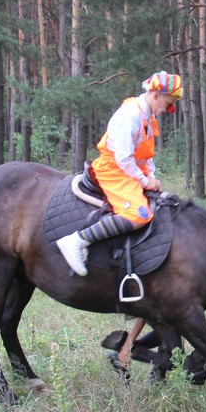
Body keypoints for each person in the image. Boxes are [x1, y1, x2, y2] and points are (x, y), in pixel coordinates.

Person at [55, 70, 183, 276]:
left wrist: (151, 176)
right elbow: (123, 158)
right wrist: (143, 180)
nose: (168, 109)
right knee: (138, 215)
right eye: (168, 103)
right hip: (113, 170)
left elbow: (146, 154)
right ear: (157, 95)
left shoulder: (148, 117)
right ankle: (78, 240)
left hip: (129, 170)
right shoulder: (131, 115)